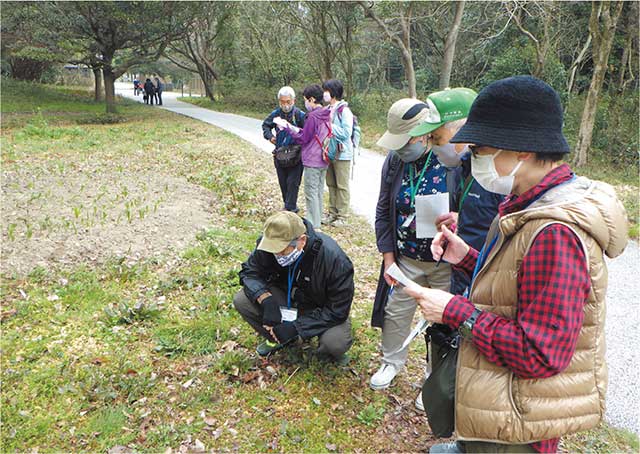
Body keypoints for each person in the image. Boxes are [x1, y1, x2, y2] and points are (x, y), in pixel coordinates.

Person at [404, 75, 628, 453]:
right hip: (506, 402)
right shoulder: (530, 203)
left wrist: (455, 311)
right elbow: (523, 287)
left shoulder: (554, 231)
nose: (471, 158)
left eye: (480, 149)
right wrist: (467, 259)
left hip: (518, 422)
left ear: (520, 151)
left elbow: (540, 353)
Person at [370, 96, 467, 406]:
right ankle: (391, 362)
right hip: (406, 259)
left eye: (406, 140)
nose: (401, 147)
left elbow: (473, 210)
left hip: (445, 262)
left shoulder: (451, 158)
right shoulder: (395, 161)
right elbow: (384, 208)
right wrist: (388, 259)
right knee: (395, 313)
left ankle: (433, 377)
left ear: (425, 132)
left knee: (443, 322)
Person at [407, 88, 504, 296]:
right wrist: (459, 219)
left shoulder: (499, 174)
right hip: (465, 276)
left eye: (437, 138)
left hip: (489, 287)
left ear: (462, 132)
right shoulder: (463, 167)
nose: (432, 146)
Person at [234, 211, 354, 362]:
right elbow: (249, 272)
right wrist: (266, 300)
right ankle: (281, 339)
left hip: (322, 309)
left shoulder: (335, 260)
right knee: (242, 300)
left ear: (301, 241)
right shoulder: (268, 245)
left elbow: (338, 311)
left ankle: (324, 352)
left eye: (281, 250)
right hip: (287, 298)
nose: (276, 255)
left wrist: (297, 327)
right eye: (272, 250)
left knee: (335, 343)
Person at [279, 84, 332, 229]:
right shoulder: (326, 113)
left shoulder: (313, 116)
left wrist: (288, 128)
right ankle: (317, 219)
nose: (306, 103)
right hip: (323, 158)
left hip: (312, 159)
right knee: (319, 191)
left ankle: (313, 225)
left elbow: (304, 138)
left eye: (306, 100)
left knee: (311, 192)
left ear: (312, 99)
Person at [262, 86, 306, 213]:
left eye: (288, 102)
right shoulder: (276, 114)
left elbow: (307, 133)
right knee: (283, 183)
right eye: (282, 102)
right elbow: (265, 125)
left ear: (294, 100)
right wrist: (270, 137)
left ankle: (290, 209)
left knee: (293, 183)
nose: (285, 105)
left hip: (296, 156)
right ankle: (289, 207)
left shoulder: (300, 115)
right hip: (280, 154)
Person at [322, 79, 354, 227]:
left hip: (343, 154)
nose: (324, 94)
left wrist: (329, 126)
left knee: (342, 185)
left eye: (326, 91)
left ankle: (343, 216)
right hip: (329, 152)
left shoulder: (344, 111)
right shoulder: (328, 109)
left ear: (333, 92)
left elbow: (346, 133)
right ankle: (332, 213)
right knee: (331, 184)